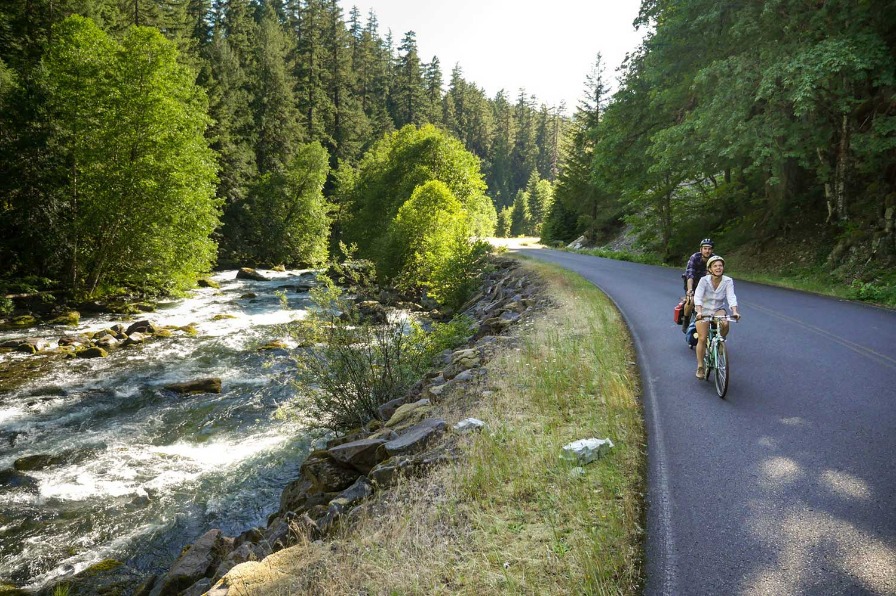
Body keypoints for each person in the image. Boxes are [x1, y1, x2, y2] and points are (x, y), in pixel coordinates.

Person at [693, 255, 740, 379]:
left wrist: (735, 311)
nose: (718, 268)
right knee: (702, 338)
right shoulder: (704, 280)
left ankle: (720, 343)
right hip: (703, 310)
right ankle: (700, 366)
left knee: (725, 323)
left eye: (720, 266)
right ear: (710, 269)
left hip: (718, 310)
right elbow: (697, 296)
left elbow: (731, 297)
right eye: (715, 266)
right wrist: (699, 311)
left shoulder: (728, 281)